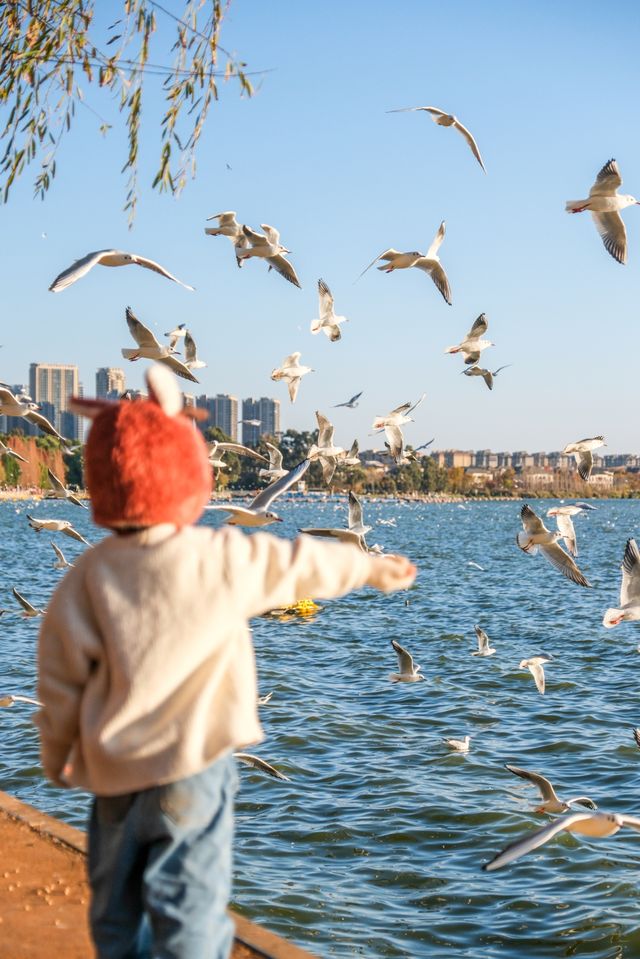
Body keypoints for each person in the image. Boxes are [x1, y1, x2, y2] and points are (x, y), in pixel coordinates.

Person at [35, 365, 416, 959]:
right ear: (188, 474)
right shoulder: (217, 556)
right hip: (194, 766)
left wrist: (57, 750)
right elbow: (296, 564)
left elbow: (58, 676)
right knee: (189, 908)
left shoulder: (86, 576)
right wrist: (367, 567)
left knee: (115, 908)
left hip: (113, 772)